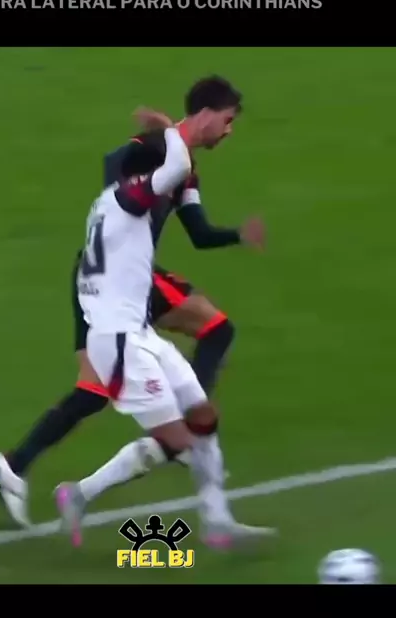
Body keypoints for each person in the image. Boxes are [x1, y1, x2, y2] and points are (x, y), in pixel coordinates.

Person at [0, 76, 263, 527]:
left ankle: (16, 466)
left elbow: (198, 232)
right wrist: (151, 169)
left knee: (100, 388)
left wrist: (237, 235)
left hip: (123, 273)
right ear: (206, 115)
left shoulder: (186, 168)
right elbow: (115, 170)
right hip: (111, 277)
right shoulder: (153, 148)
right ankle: (176, 437)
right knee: (110, 383)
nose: (230, 131)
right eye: (228, 120)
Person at [55, 114, 275, 549]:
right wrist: (176, 131)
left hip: (138, 327)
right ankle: (79, 493)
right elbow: (167, 168)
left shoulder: (126, 197)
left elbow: (186, 200)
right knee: (178, 441)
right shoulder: (128, 195)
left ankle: (217, 521)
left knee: (203, 416)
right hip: (118, 332)